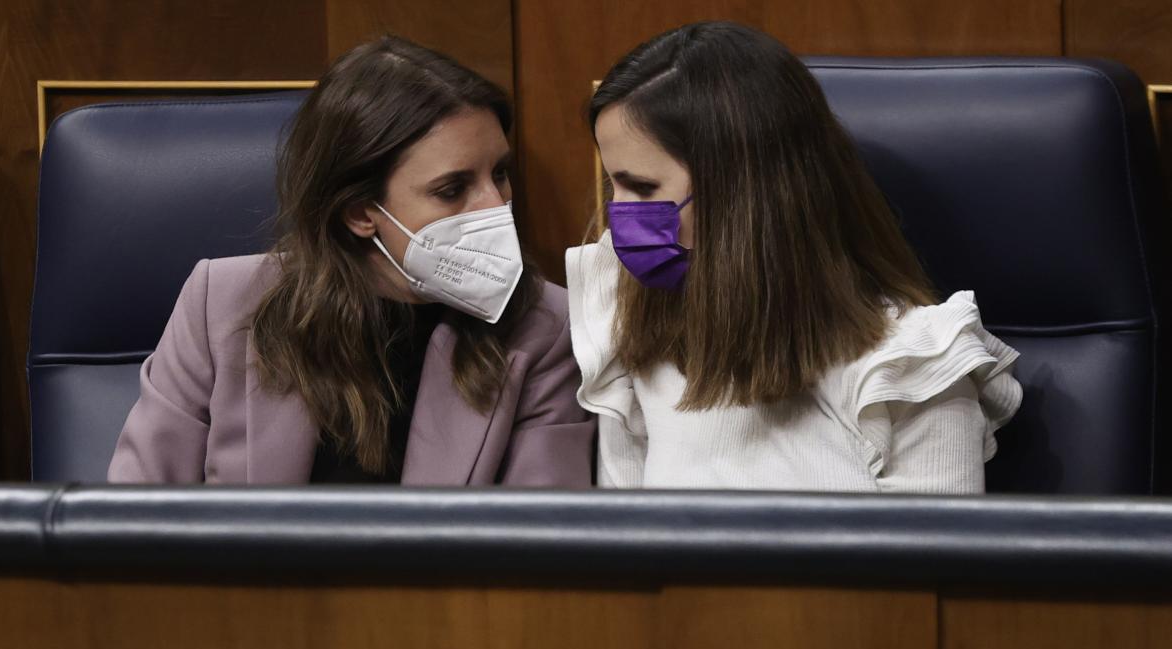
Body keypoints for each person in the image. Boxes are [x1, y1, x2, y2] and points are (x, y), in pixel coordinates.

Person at [108, 36, 593, 486]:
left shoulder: (546, 328)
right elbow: (135, 517)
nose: (496, 206)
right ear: (360, 211)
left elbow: (538, 538)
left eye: (500, 173)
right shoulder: (219, 303)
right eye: (452, 189)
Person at [568, 21, 1021, 492]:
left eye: (643, 188)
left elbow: (935, 542)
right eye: (614, 185)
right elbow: (623, 528)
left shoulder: (914, 366)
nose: (619, 217)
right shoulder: (629, 313)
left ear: (744, 193)